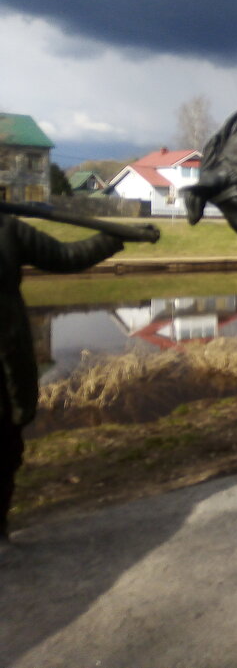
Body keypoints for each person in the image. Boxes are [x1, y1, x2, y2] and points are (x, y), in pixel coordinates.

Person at [0, 212, 138, 545]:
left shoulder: (6, 228)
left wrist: (113, 237)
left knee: (5, 448)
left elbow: (63, 256)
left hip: (6, 356)